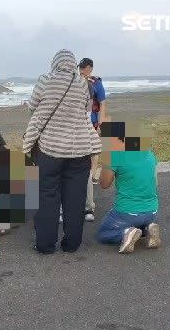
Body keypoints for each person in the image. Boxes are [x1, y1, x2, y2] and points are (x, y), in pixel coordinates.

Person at [23, 49, 101, 254]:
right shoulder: (83, 83)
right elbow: (86, 109)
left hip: (50, 149)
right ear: (73, 64)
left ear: (55, 63)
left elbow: (32, 107)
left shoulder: (45, 80)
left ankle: (45, 245)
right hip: (80, 149)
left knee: (47, 197)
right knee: (75, 199)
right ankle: (71, 244)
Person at [95, 121, 161, 254]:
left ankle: (127, 233)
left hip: (127, 212)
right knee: (140, 221)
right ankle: (147, 229)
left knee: (103, 233)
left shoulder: (114, 155)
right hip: (152, 210)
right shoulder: (148, 152)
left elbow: (104, 184)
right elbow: (155, 182)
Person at [78, 58, 108, 222]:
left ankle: (92, 173)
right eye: (81, 67)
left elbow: (102, 102)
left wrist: (101, 121)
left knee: (94, 150)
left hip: (94, 119)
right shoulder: (75, 80)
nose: (82, 70)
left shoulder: (96, 83)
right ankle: (89, 178)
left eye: (85, 68)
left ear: (90, 68)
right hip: (80, 120)